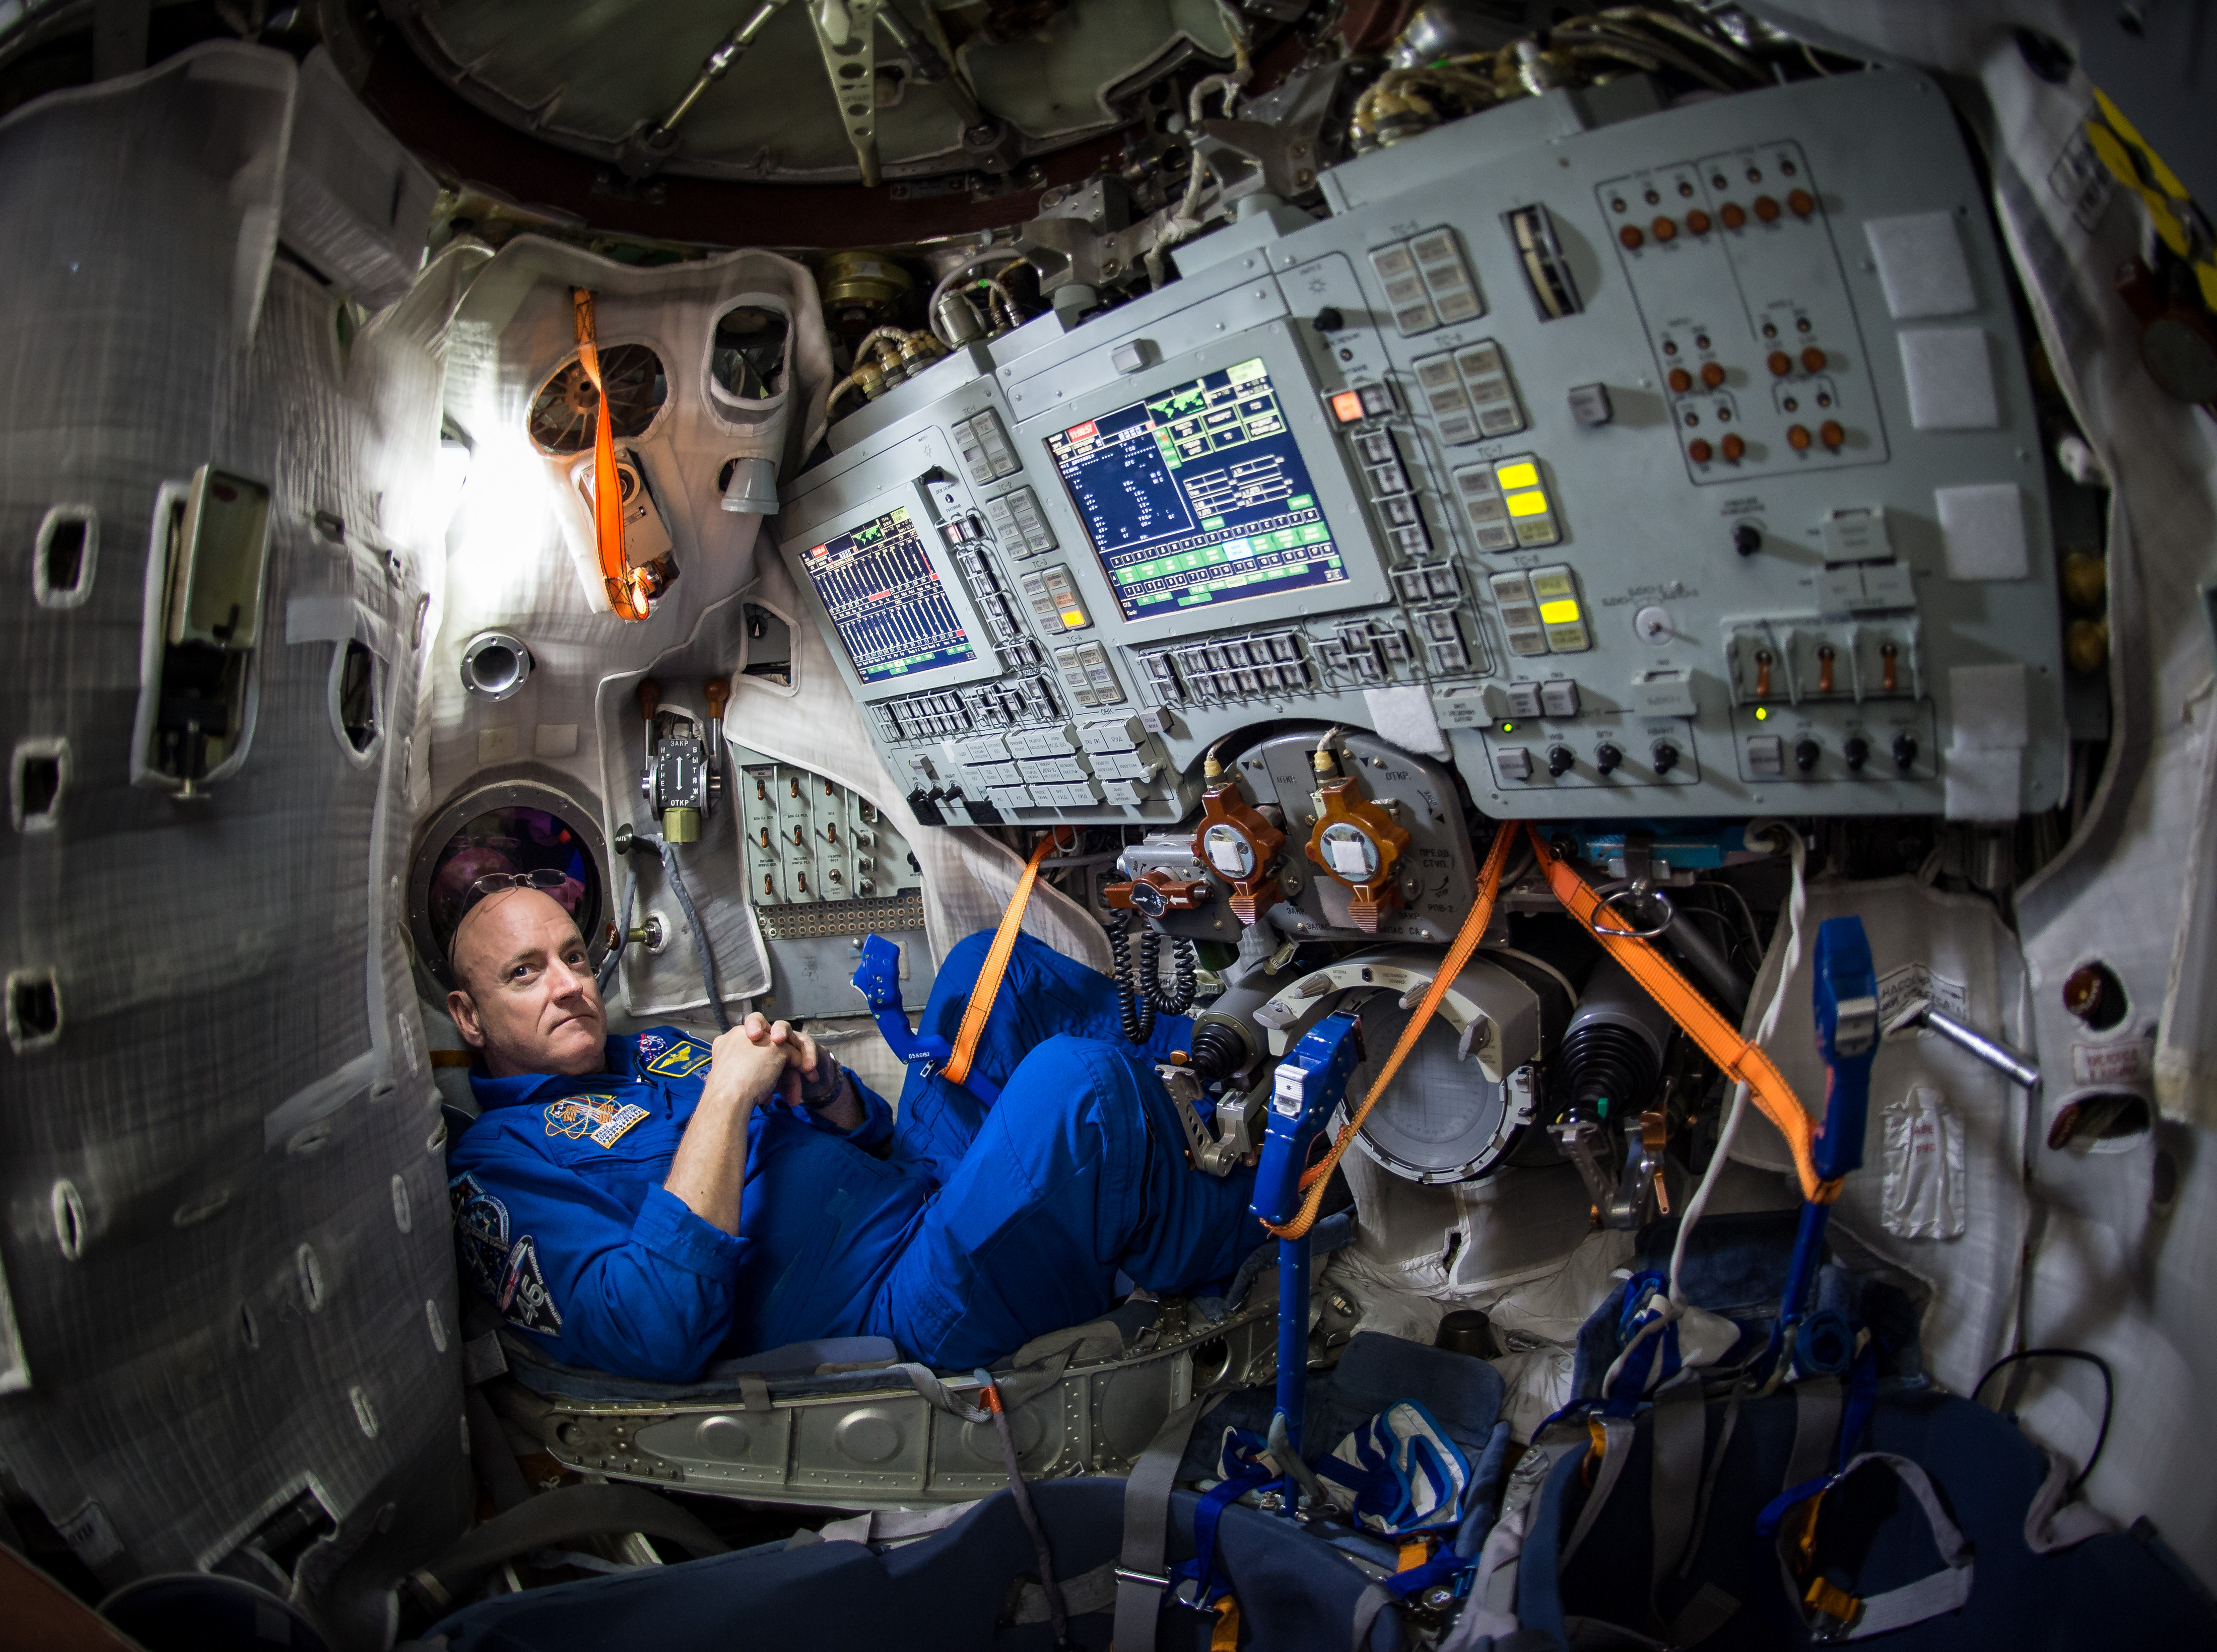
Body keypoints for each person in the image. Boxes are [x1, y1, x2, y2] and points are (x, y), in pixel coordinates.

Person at [442, 883, 1261, 1382]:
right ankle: (1252, 1218)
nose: (568, 985)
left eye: (575, 957)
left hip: (915, 1187)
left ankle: (1215, 1080)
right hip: (892, 1312)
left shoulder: (649, 1054)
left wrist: (829, 1094)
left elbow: (861, 1138)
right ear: (468, 1017)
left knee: (989, 965)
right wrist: (726, 1100)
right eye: (526, 973)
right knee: (1072, 1085)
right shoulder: (502, 1163)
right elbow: (652, 1332)